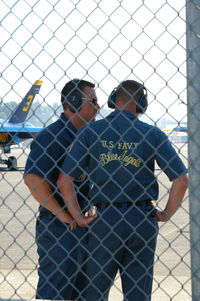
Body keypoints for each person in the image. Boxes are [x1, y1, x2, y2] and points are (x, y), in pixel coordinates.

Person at [57, 79, 188, 301]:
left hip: (105, 218)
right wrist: (165, 213)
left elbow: (64, 180)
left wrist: (78, 216)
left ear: (112, 101)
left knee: (95, 291)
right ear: (141, 103)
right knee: (138, 293)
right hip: (141, 217)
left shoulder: (91, 132)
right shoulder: (151, 133)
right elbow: (181, 179)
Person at [24, 78, 99, 300]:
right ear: (74, 102)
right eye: (93, 101)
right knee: (56, 290)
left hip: (83, 224)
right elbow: (33, 179)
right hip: (60, 228)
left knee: (83, 291)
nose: (98, 106)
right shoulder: (54, 135)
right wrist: (64, 215)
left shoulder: (86, 136)